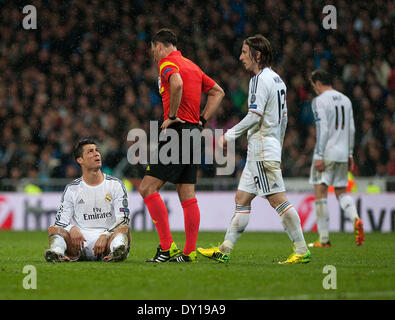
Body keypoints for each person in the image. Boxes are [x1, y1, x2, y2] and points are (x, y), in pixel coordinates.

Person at [198, 34, 311, 264]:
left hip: (261, 149)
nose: (240, 57)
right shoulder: (278, 80)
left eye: (244, 52)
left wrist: (229, 136)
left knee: (277, 199)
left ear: (257, 55)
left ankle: (301, 250)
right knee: (242, 198)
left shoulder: (259, 80)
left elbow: (254, 115)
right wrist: (276, 145)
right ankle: (225, 249)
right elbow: (284, 118)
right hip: (263, 148)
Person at [139, 28, 225, 263]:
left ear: (158, 46)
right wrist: (203, 120)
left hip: (177, 132)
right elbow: (218, 92)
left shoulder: (167, 63)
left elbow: (176, 85)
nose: (154, 55)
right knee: (186, 192)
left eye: (153, 50)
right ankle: (189, 253)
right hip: (194, 132)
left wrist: (173, 114)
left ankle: (167, 248)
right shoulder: (193, 66)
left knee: (147, 188)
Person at [44, 139, 131, 262]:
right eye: (90, 151)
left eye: (97, 151)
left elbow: (123, 219)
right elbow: (60, 221)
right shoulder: (72, 189)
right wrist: (72, 229)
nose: (96, 154)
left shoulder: (115, 185)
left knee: (124, 229)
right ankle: (56, 253)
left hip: (107, 241)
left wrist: (105, 235)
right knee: (53, 229)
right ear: (80, 160)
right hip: (79, 245)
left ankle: (116, 251)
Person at [308, 69, 364, 247]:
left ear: (317, 83)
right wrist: (349, 153)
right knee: (341, 192)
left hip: (326, 153)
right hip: (342, 153)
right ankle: (355, 218)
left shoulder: (319, 101)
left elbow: (322, 129)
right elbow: (352, 129)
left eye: (313, 85)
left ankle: (324, 239)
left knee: (320, 192)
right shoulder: (346, 100)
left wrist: (318, 155)